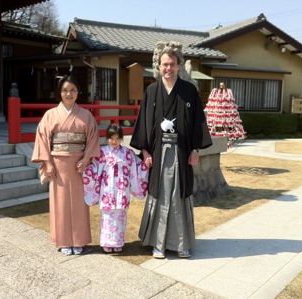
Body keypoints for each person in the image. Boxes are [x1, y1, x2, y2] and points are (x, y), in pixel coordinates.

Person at [129, 41, 212, 259]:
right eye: (164, 64)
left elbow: (197, 122)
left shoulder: (189, 91)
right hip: (158, 153)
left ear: (178, 65)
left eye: (172, 64)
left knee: (179, 194)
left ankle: (181, 243)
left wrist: (196, 149)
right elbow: (143, 124)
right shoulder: (152, 91)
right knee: (161, 195)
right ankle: (158, 243)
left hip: (182, 152)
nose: (168, 68)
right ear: (158, 65)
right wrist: (145, 152)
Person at [32, 75, 100, 256]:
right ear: (59, 93)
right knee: (60, 204)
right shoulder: (50, 115)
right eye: (64, 90)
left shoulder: (86, 115)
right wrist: (47, 163)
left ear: (78, 92)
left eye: (72, 90)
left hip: (79, 165)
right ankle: (63, 240)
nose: (68, 94)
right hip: (58, 163)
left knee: (79, 203)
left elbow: (93, 139)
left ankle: (79, 240)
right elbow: (43, 139)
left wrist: (85, 160)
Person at [83, 124, 148, 253]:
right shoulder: (101, 152)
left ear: (121, 139)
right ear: (107, 138)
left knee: (121, 216)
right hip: (107, 190)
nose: (114, 141)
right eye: (111, 138)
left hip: (122, 190)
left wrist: (145, 166)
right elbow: (95, 170)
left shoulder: (127, 153)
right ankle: (107, 243)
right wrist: (87, 169)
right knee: (107, 217)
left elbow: (136, 168)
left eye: (118, 139)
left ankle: (118, 243)